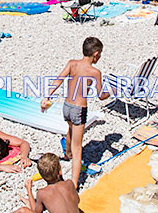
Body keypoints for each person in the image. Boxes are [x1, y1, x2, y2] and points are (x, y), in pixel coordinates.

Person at [41, 37, 111, 188]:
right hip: (79, 109)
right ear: (96, 54)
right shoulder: (95, 72)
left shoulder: (72, 63)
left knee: (70, 128)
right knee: (78, 147)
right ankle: (74, 183)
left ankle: (67, 154)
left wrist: (46, 96)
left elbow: (58, 80)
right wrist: (111, 92)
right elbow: (100, 95)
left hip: (66, 107)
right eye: (100, 54)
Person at [14, 153, 80, 213]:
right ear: (60, 170)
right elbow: (77, 200)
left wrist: (29, 189)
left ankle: (29, 203)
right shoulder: (69, 183)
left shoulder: (42, 193)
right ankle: (29, 203)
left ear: (41, 175)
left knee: (23, 210)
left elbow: (36, 212)